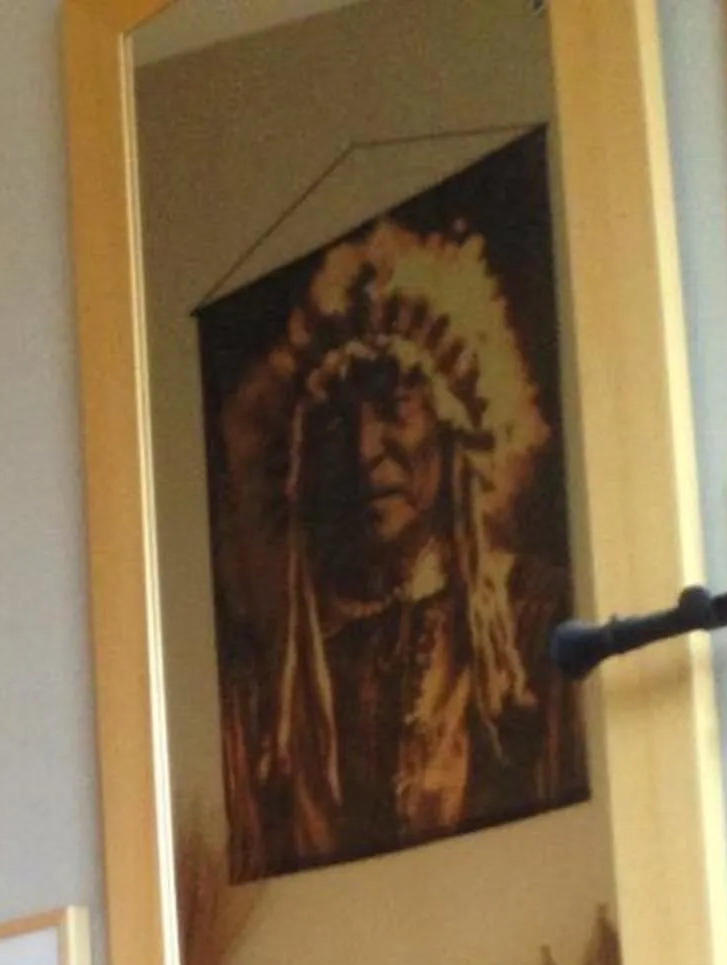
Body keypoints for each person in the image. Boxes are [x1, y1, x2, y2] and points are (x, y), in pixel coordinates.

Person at [214, 216, 576, 879]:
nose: (363, 451)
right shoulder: (269, 700)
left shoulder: (533, 629)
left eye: (392, 407)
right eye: (332, 423)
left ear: (452, 421)